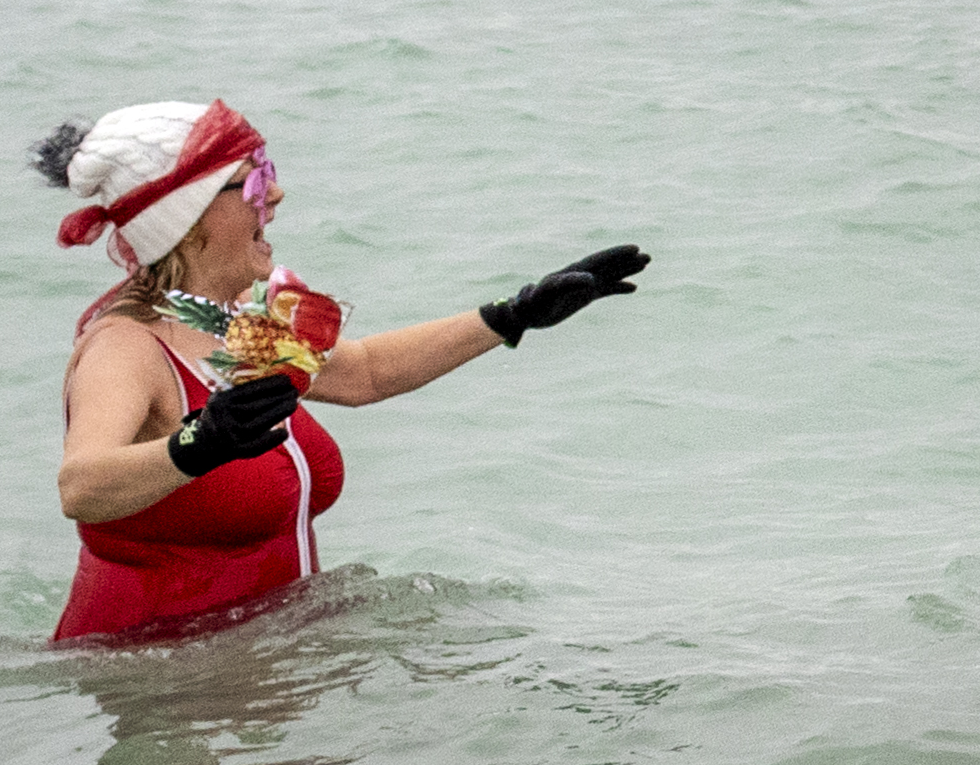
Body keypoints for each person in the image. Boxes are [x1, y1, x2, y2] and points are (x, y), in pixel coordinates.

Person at [38, 97, 647, 644]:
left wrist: (512, 316)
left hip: (254, 654)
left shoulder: (238, 321)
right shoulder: (127, 347)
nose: (274, 195)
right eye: (253, 183)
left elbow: (366, 374)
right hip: (154, 672)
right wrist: (200, 443)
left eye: (268, 173)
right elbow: (82, 486)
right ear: (188, 217)